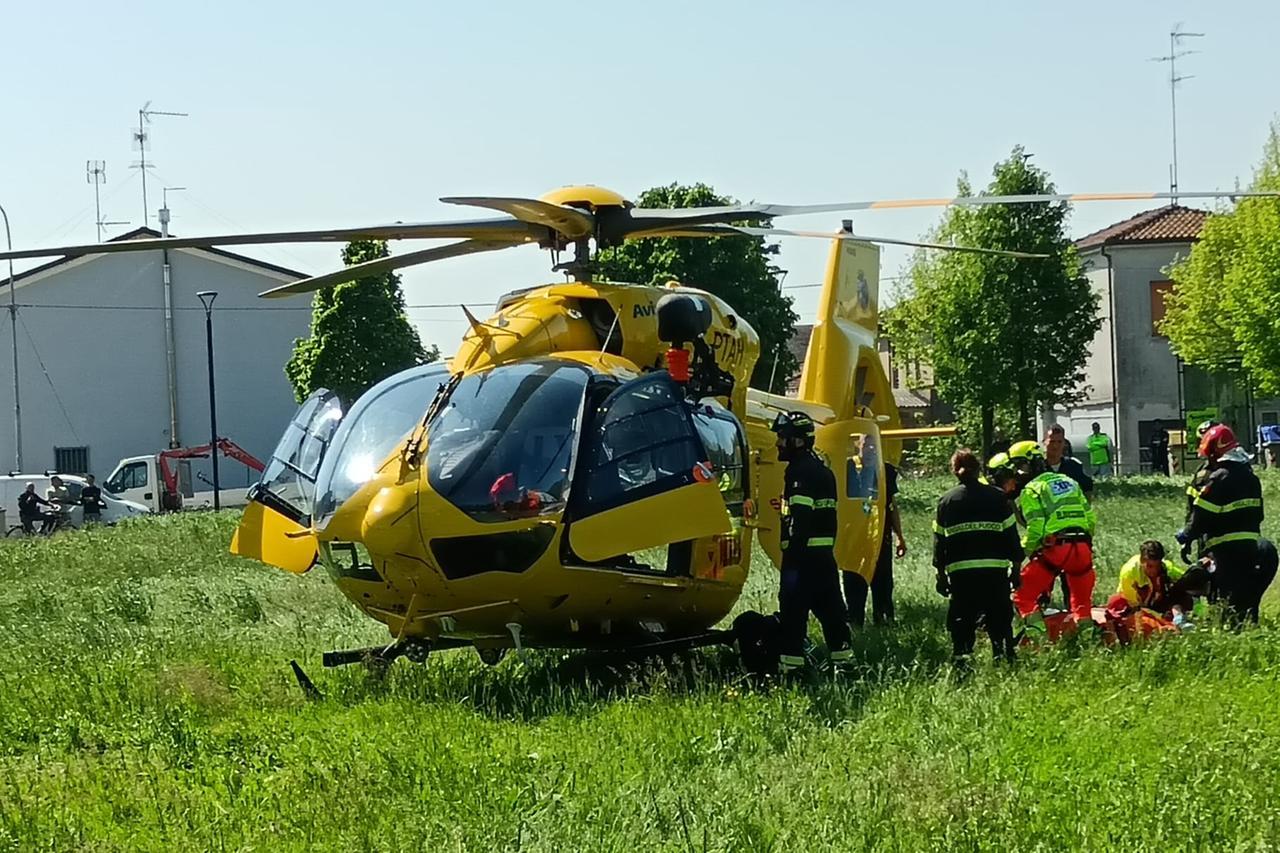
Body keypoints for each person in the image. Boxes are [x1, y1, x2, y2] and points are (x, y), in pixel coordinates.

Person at [771, 410, 853, 675]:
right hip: (823, 559)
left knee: (793, 615)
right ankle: (845, 665)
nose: (778, 443)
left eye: (782, 437)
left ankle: (792, 671)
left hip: (801, 560)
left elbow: (801, 520)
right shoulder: (822, 471)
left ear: (797, 440)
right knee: (832, 613)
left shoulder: (798, 472)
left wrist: (792, 560)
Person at [933, 449, 1023, 669]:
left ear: (954, 471)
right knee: (999, 621)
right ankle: (1004, 660)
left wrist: (941, 576)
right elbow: (1011, 537)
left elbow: (940, 543)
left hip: (962, 577)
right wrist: (1016, 571)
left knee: (962, 623)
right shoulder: (998, 497)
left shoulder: (946, 501)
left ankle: (962, 664)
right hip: (994, 574)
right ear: (978, 470)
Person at [1004, 441, 1099, 635]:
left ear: (1028, 465)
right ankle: (1088, 640)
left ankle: (1037, 640)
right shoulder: (1069, 482)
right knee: (1082, 603)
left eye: (1018, 467)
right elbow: (1090, 518)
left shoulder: (1032, 489)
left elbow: (1036, 528)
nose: (1017, 474)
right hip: (1082, 547)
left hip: (1057, 549)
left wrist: (1022, 553)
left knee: (1023, 595)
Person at [1177, 424, 1265, 624]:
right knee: (1243, 596)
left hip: (1224, 549)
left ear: (1216, 453)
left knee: (1223, 599)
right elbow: (1259, 515)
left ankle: (1226, 627)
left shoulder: (1218, 478)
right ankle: (1247, 625)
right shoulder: (1251, 478)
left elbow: (1201, 515)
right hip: (1250, 546)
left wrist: (1186, 535)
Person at [844, 453, 906, 628]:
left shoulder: (885, 470)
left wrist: (899, 536)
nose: (870, 448)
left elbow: (891, 505)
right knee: (854, 583)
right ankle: (855, 624)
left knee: (883, 583)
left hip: (879, 538)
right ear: (859, 445)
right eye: (866, 444)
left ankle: (884, 621)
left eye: (873, 444)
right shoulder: (848, 467)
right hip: (854, 538)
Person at [1106, 539, 1208, 629]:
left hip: (1155, 603)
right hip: (1132, 605)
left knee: (1179, 591)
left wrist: (1198, 568)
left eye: (1157, 566)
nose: (1154, 571)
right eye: (1150, 566)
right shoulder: (1129, 573)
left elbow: (1184, 577)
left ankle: (1179, 621)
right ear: (1142, 561)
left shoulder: (1165, 568)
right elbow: (1136, 606)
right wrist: (1158, 615)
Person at [1044, 424, 1093, 497]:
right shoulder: (1037, 468)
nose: (1055, 446)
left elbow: (1087, 490)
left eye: (1059, 442)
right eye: (1052, 441)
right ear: (1044, 442)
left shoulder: (1073, 467)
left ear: (1064, 443)